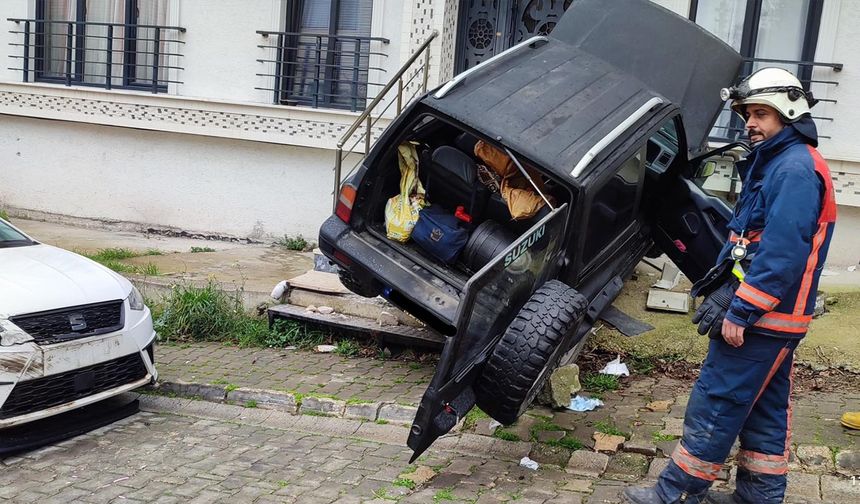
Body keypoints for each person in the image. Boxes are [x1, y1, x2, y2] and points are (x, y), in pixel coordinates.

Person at [624, 67, 837, 504]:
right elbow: (753, 239)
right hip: (778, 317)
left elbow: (781, 253)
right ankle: (757, 497)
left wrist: (741, 308)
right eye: (747, 114)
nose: (750, 124)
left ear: (788, 113)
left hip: (765, 318)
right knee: (764, 410)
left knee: (717, 402)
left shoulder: (793, 169)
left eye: (761, 114)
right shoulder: (781, 161)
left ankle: (676, 494)